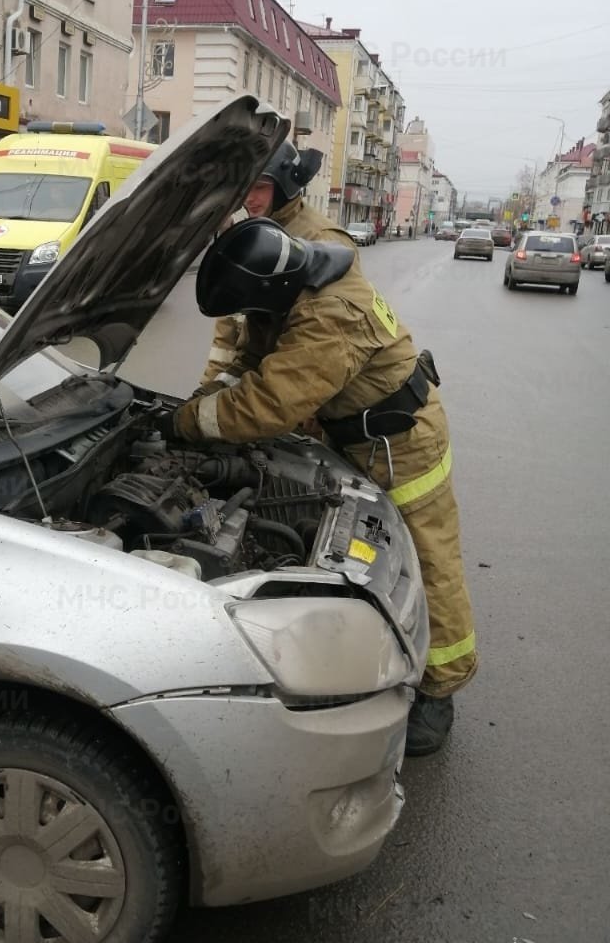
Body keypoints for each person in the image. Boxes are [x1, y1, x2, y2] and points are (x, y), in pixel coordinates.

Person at [170, 219, 478, 756]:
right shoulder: (290, 286)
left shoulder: (330, 313)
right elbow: (249, 360)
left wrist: (187, 424)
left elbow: (270, 402)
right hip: (351, 432)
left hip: (401, 440)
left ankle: (441, 687)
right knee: (360, 558)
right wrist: (204, 397)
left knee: (427, 558)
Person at [201, 141, 357, 388]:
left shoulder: (324, 241)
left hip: (299, 389)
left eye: (260, 187)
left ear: (286, 186)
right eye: (246, 188)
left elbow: (325, 345)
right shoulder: (257, 234)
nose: (249, 199)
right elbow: (229, 330)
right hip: (264, 377)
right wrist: (208, 390)